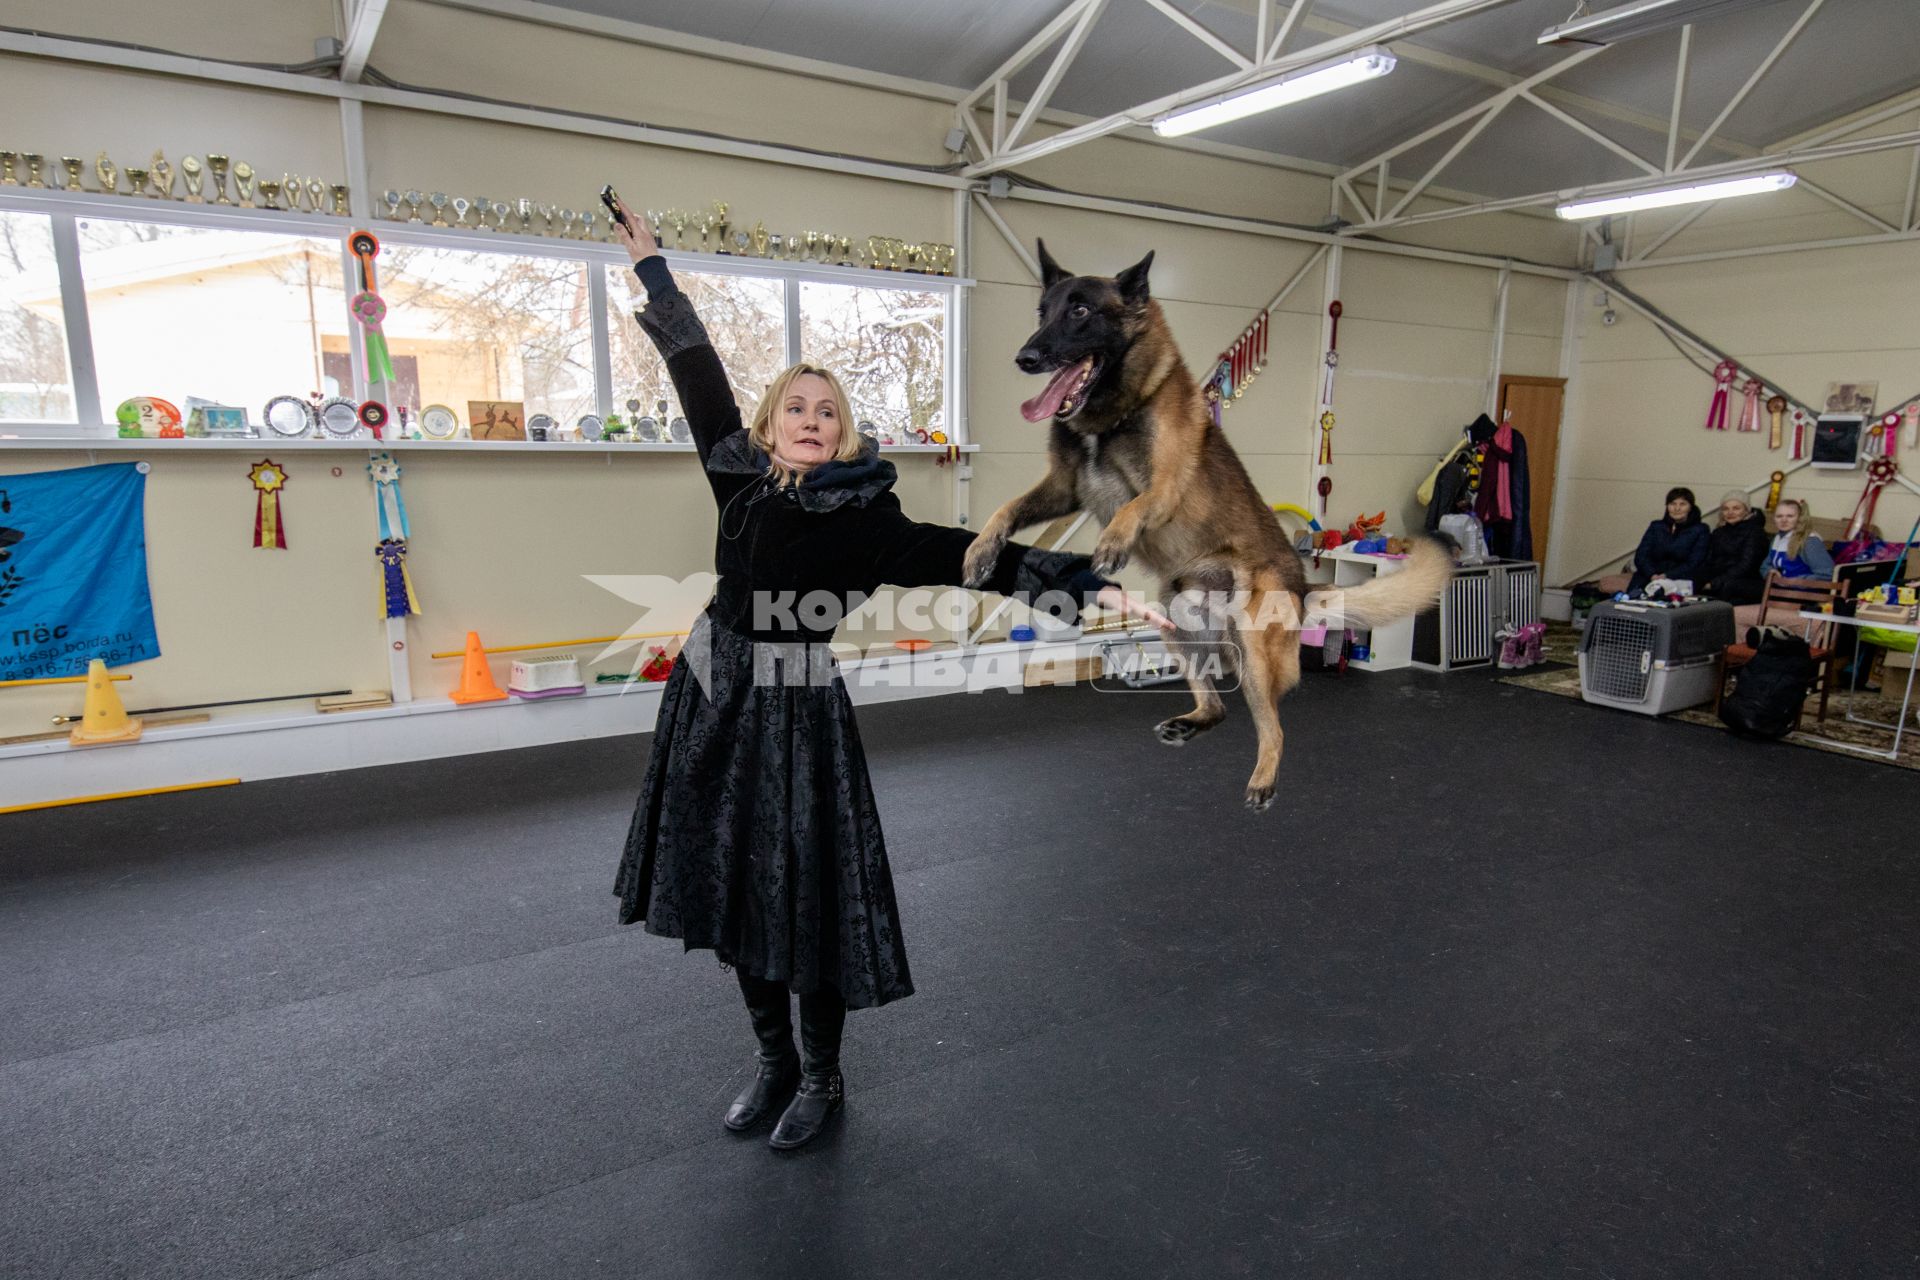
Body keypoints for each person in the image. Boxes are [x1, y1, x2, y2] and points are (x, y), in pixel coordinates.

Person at [605, 192, 1168, 1152]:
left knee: (804, 899)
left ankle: (822, 1075)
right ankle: (773, 1062)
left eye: (828, 411)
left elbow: (966, 553)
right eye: (796, 407)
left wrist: (1087, 584)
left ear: (846, 431)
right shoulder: (734, 471)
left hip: (795, 718)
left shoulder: (866, 519)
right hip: (709, 696)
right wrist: (652, 265)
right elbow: (691, 361)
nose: (811, 419)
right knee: (736, 892)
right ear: (771, 423)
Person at [1627, 487, 1709, 595]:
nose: (1677, 508)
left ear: (1690, 507)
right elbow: (1641, 555)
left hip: (1680, 578)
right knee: (1631, 600)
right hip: (1650, 575)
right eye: (1673, 504)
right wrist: (1652, 575)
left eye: (1682, 504)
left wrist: (1666, 576)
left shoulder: (1700, 529)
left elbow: (1694, 562)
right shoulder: (1656, 526)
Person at [1699, 490, 1770, 604]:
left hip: (1744, 583)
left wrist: (1715, 583)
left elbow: (1746, 566)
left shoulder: (1756, 533)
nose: (1730, 512)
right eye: (1726, 509)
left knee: (1727, 588)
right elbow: (1709, 561)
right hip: (1720, 579)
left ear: (1747, 510)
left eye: (1736, 508)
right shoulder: (1719, 532)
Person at [1764, 497, 1834, 581]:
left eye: (1790, 516)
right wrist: (1769, 571)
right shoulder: (1778, 538)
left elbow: (1827, 574)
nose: (1784, 520)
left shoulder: (1809, 541)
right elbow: (1765, 565)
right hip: (1780, 588)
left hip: (1803, 592)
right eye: (1779, 516)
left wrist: (1796, 581)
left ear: (1799, 518)